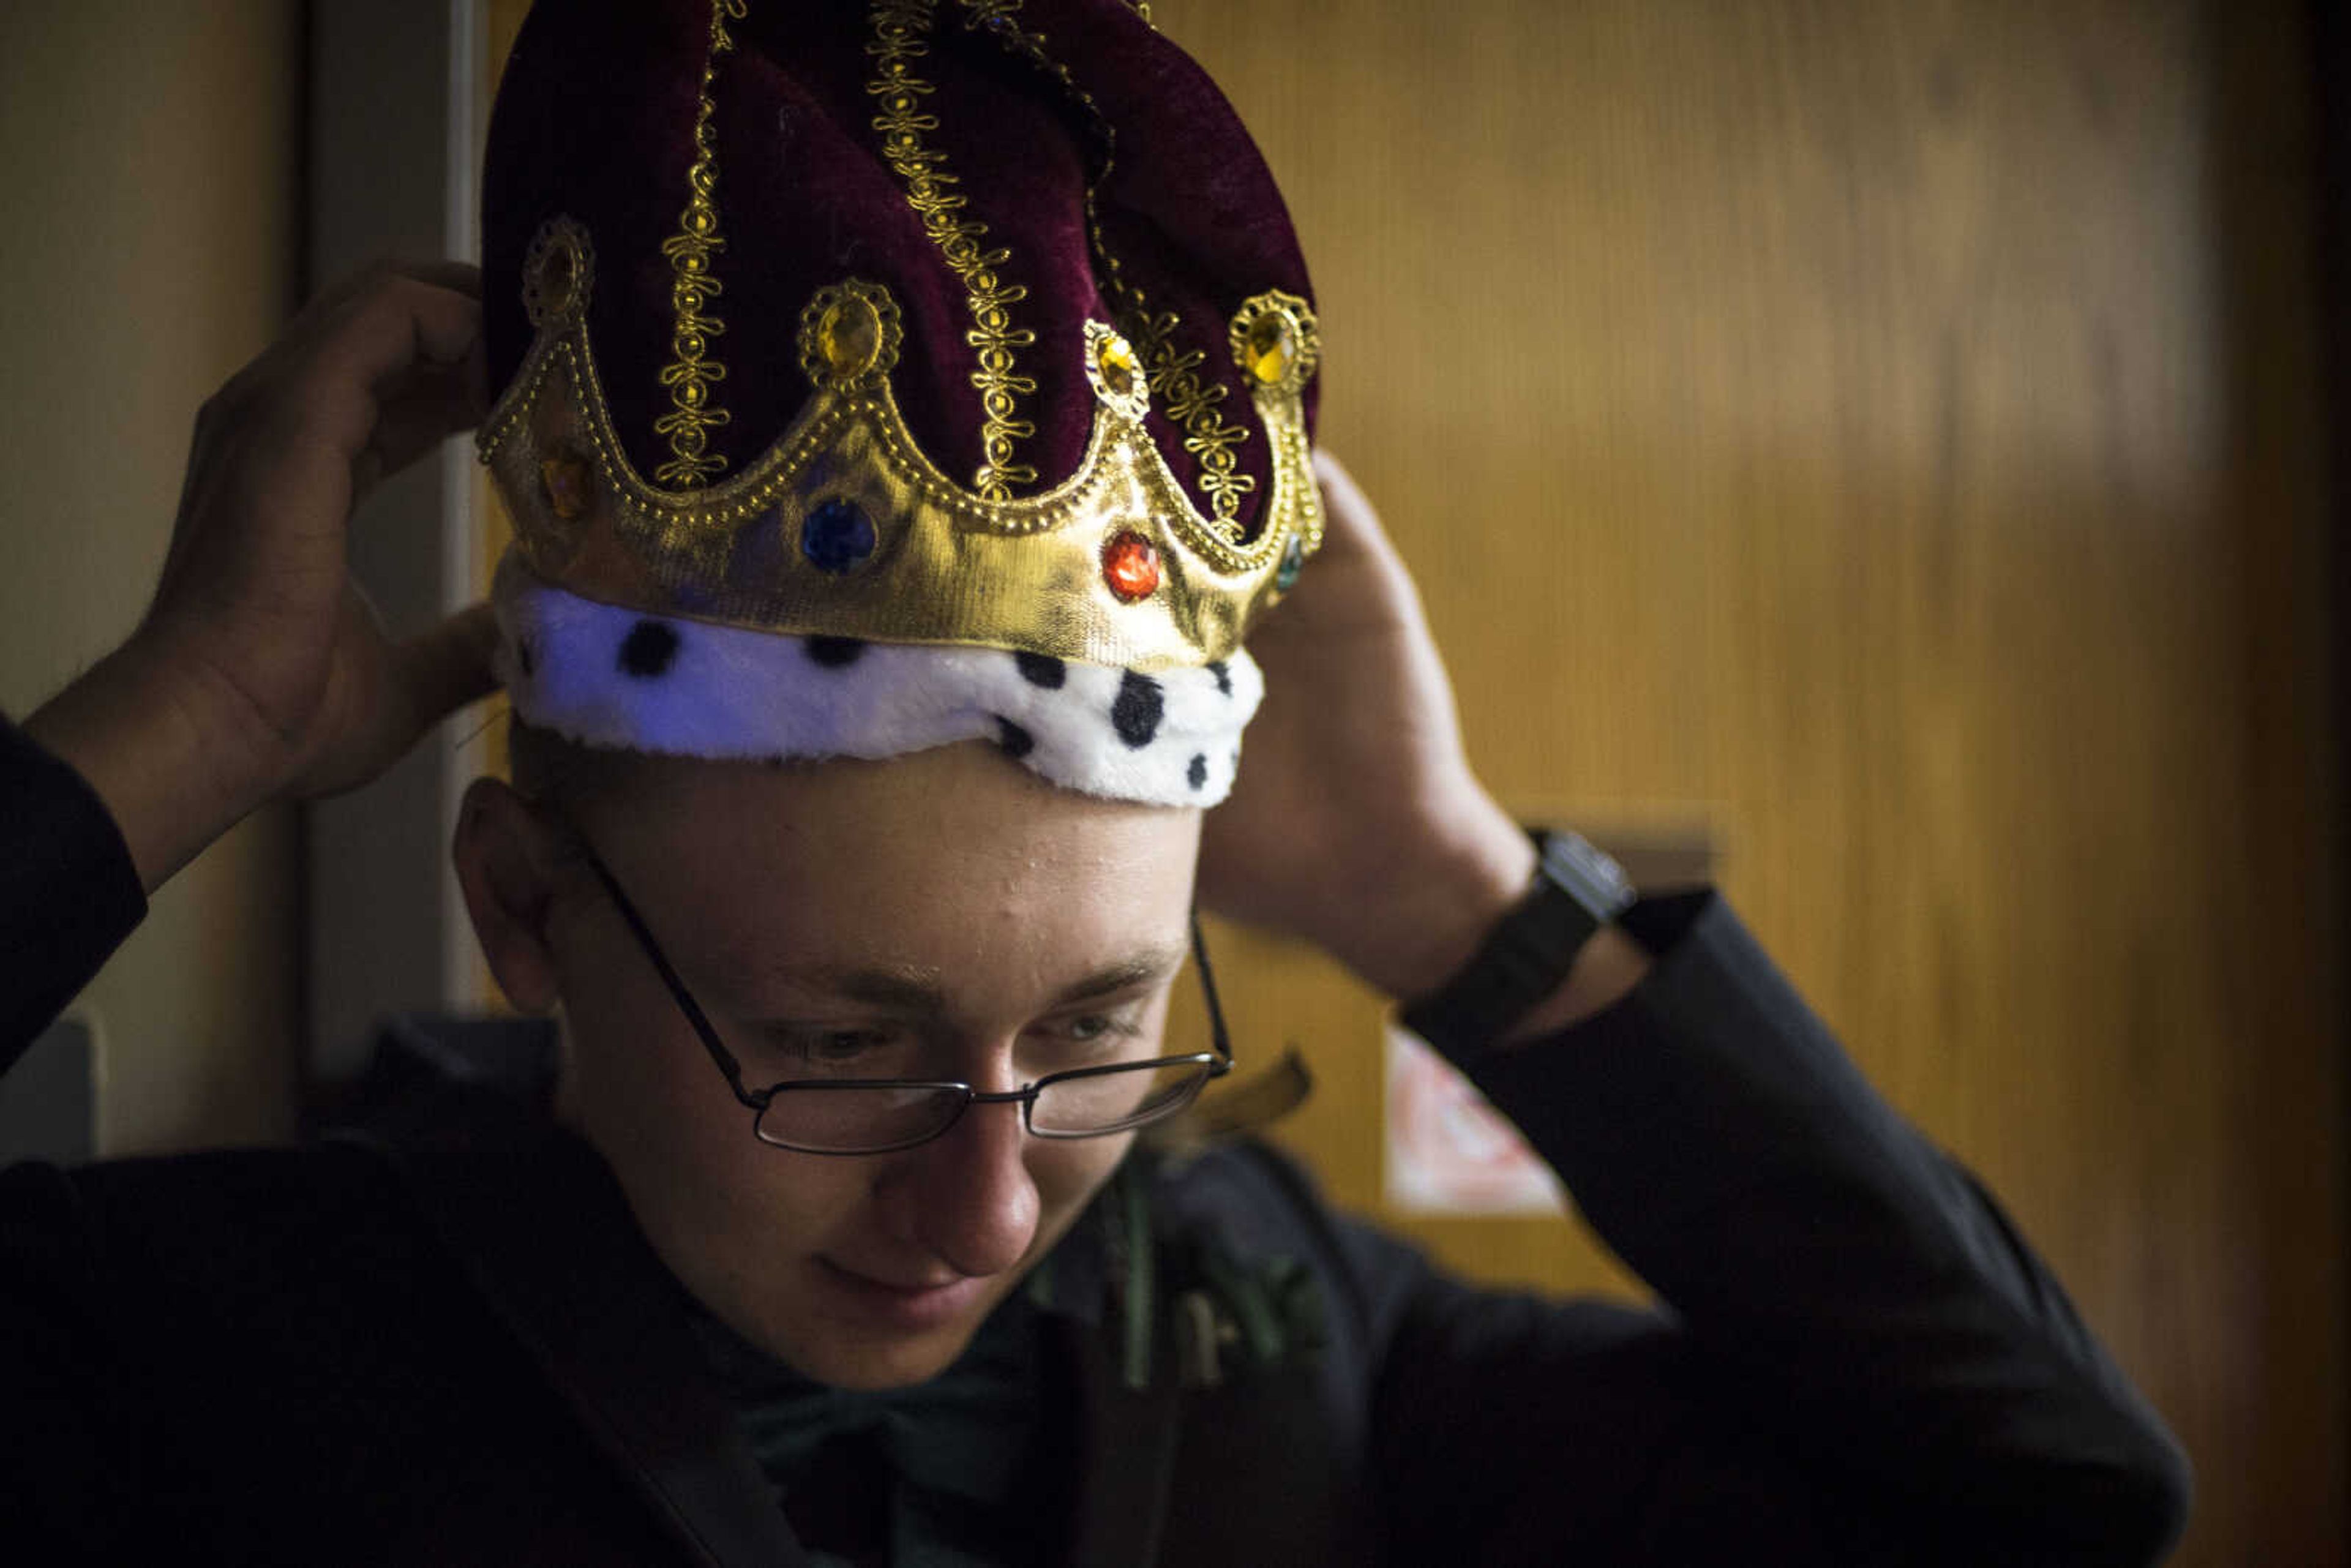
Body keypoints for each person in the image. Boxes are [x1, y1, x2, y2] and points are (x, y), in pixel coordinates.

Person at [2, 1, 2189, 1563]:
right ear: (524, 903)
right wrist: (179, 732)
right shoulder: (198, 1346)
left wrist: (1452, 892)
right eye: (840, 1045)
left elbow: (2049, 1489)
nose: (990, 1211)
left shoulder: (1280, 1325)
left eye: (1098, 1032)